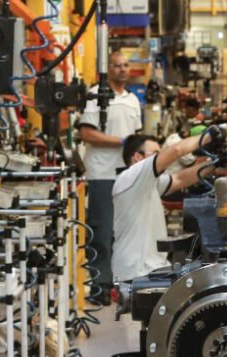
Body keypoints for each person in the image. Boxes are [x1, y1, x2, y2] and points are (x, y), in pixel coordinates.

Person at [111, 132, 216, 282]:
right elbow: (176, 150)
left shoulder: (147, 183)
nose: (160, 158)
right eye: (155, 154)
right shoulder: (129, 178)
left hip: (153, 268)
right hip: (135, 272)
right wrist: (208, 136)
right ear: (138, 157)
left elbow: (180, 179)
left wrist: (214, 165)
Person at [79, 51, 141, 304]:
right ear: (108, 69)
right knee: (102, 232)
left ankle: (121, 284)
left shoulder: (133, 100)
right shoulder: (95, 96)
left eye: (125, 65)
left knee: (124, 232)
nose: (122, 69)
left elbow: (137, 137)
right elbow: (86, 134)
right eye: (117, 65)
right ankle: (99, 285)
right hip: (102, 173)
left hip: (127, 174)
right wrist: (122, 142)